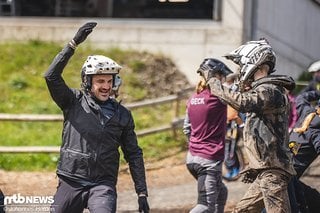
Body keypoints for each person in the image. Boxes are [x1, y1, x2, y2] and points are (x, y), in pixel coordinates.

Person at [44, 22, 149, 213]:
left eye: (110, 81)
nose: (106, 86)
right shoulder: (73, 101)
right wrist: (73, 44)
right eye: (100, 81)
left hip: (102, 185)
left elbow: (133, 153)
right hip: (71, 180)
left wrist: (142, 193)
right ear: (88, 81)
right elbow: (51, 77)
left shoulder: (123, 115)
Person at [206, 39, 296, 212]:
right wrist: (254, 166)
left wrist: (214, 83)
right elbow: (263, 134)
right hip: (266, 170)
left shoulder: (270, 89)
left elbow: (241, 102)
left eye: (241, 66)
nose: (240, 71)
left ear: (253, 61)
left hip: (273, 172)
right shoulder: (267, 90)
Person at [183, 58, 232, 213]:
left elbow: (186, 129)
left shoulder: (193, 99)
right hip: (208, 160)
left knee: (221, 193)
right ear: (215, 77)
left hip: (192, 158)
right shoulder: (218, 98)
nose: (223, 81)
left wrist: (197, 144)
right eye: (222, 77)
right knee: (205, 206)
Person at [288, 90, 320, 213]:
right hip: (288, 176)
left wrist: (317, 92)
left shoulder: (307, 111)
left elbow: (300, 97)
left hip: (282, 168)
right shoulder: (317, 131)